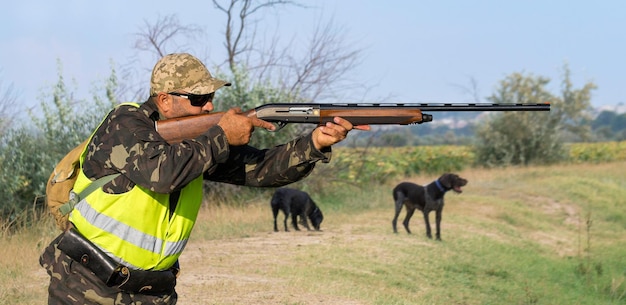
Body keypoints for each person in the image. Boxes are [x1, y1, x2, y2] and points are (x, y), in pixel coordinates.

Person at [39, 52, 369, 304]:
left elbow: (261, 169)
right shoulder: (124, 124)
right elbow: (163, 173)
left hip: (153, 292)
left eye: (210, 97)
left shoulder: (197, 145)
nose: (209, 105)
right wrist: (222, 135)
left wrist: (314, 144)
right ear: (164, 100)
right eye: (198, 99)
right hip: (86, 286)